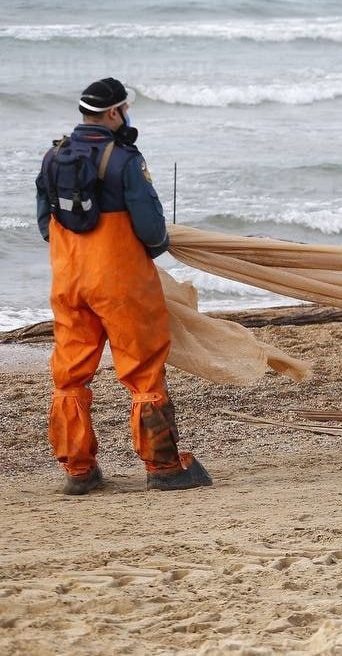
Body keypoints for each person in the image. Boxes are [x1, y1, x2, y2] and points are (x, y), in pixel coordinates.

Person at [35, 78, 212, 494]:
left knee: (70, 374)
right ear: (114, 113)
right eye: (126, 109)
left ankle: (78, 471)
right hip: (119, 283)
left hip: (68, 280)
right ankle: (165, 467)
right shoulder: (124, 159)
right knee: (143, 370)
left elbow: (46, 224)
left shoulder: (53, 155)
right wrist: (156, 247)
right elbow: (151, 229)